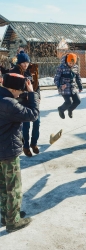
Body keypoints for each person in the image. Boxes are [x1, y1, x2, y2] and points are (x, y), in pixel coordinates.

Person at [0, 73, 39, 233]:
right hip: (8, 151)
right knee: (13, 187)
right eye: (20, 90)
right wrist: (32, 93)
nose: (20, 93)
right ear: (14, 89)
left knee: (2, 185)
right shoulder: (9, 104)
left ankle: (7, 215)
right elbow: (33, 114)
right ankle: (13, 222)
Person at [9, 51, 41, 157]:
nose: (25, 65)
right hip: (22, 103)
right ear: (19, 63)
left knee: (37, 122)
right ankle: (26, 146)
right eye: (23, 63)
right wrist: (26, 94)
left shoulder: (30, 72)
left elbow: (37, 86)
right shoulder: (15, 73)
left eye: (27, 62)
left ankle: (34, 144)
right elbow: (14, 90)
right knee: (25, 126)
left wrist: (38, 96)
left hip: (32, 101)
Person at [54, 53, 82, 119]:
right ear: (67, 61)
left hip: (73, 87)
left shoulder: (76, 67)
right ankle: (61, 109)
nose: (71, 65)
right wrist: (60, 86)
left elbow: (78, 78)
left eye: (73, 63)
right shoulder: (61, 67)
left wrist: (80, 86)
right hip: (64, 88)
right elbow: (56, 79)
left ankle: (70, 109)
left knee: (78, 101)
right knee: (69, 102)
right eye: (70, 63)